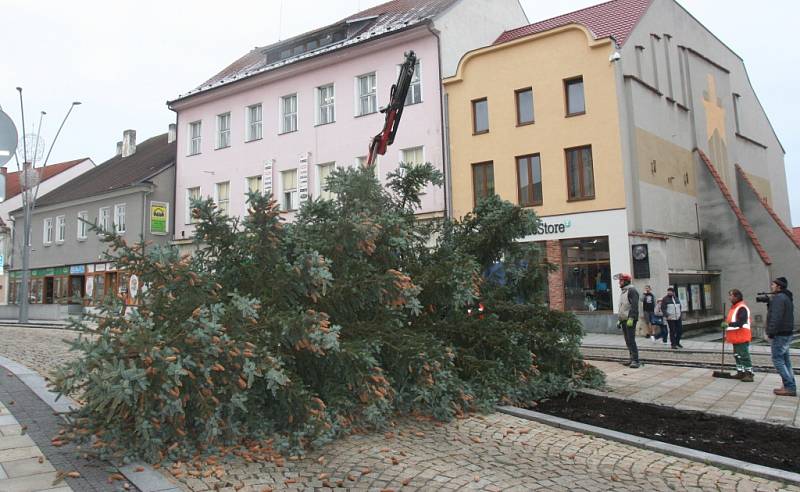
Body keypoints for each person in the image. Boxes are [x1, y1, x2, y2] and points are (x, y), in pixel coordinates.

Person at [766, 277, 796, 397]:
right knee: (786, 361)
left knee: (777, 360)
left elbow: (776, 317)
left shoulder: (779, 298)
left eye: (773, 285)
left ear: (779, 286)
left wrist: (771, 332)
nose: (771, 287)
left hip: (780, 334)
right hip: (787, 333)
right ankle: (789, 385)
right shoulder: (786, 297)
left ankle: (790, 387)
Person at [722, 289, 754, 382]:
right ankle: (741, 372)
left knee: (744, 356)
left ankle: (749, 374)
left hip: (741, 336)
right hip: (735, 337)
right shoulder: (734, 307)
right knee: (737, 355)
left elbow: (740, 323)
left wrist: (727, 325)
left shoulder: (741, 308)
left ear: (737, 297)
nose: (729, 298)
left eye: (731, 295)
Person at [616, 273, 640, 368]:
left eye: (621, 281)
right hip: (624, 319)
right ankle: (631, 359)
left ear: (626, 281)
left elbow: (634, 306)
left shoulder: (632, 291)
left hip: (630, 320)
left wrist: (631, 317)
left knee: (631, 340)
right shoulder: (624, 291)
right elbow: (623, 307)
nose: (619, 283)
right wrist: (619, 319)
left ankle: (635, 360)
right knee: (627, 340)